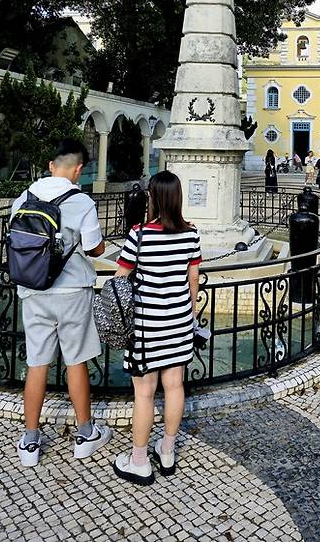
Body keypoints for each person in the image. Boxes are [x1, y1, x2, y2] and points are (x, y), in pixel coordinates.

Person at [13, 139, 112, 467]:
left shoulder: (23, 199)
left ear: (52, 165)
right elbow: (95, 248)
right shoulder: (81, 201)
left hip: (33, 290)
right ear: (79, 169)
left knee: (36, 363)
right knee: (76, 361)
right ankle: (85, 433)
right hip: (71, 291)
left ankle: (30, 440)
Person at [113, 171, 201, 485]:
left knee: (145, 393)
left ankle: (139, 460)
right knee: (175, 385)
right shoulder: (191, 234)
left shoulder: (140, 234)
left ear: (153, 197)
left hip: (147, 326)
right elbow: (193, 281)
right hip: (178, 322)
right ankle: (166, 450)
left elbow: (120, 279)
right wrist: (186, 313)